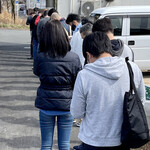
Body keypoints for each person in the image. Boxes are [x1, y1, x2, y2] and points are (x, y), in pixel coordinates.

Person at [71, 31, 145, 150]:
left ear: (88, 55)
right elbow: (140, 101)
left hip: (93, 140)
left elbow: (77, 112)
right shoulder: (132, 68)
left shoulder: (84, 75)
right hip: (123, 139)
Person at [33, 20, 82, 150]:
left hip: (46, 104)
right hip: (67, 105)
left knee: (46, 145)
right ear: (63, 36)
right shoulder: (73, 58)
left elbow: (37, 72)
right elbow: (77, 79)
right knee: (64, 145)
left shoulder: (40, 57)